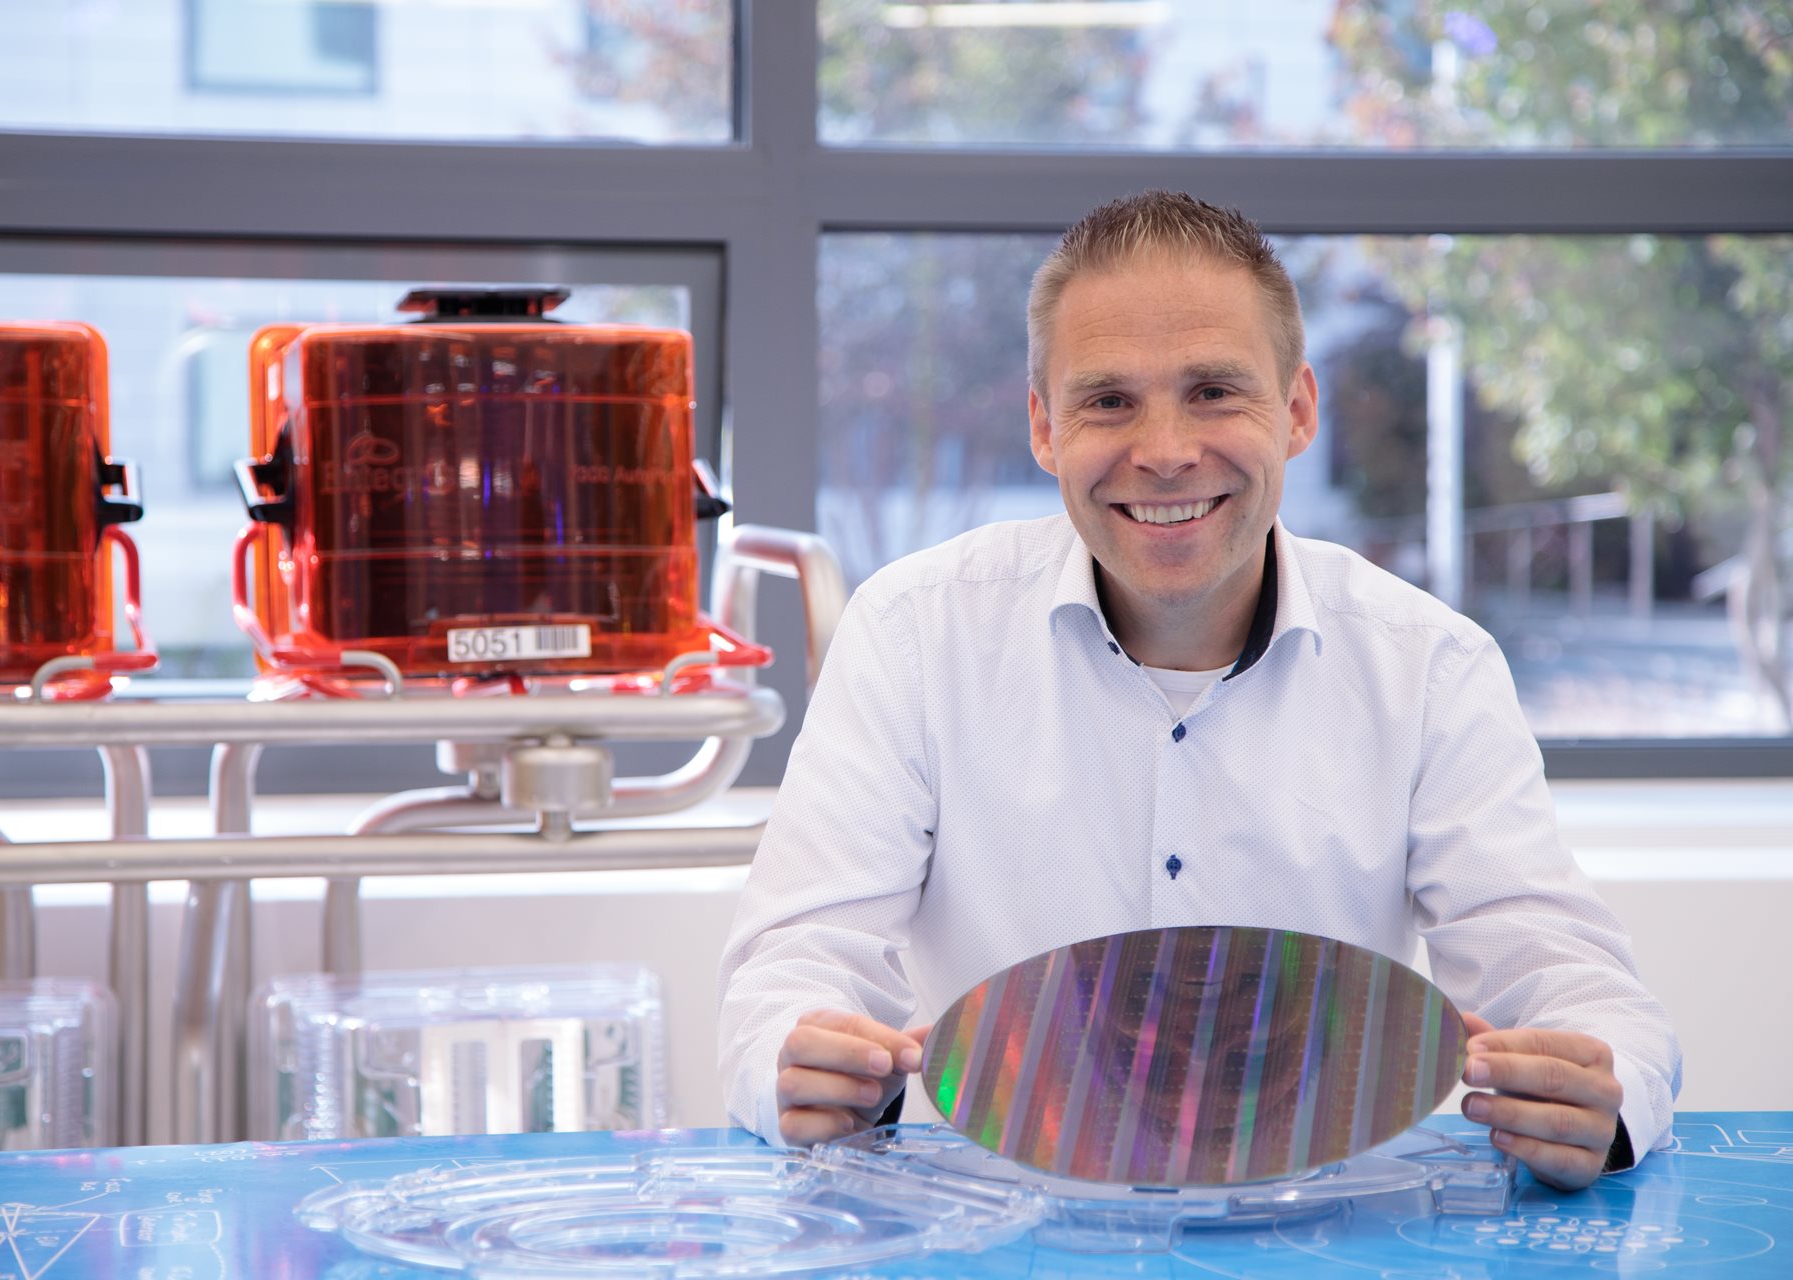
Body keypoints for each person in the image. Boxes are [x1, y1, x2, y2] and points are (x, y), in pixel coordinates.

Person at [716, 189, 1681, 1191]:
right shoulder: (914, 634)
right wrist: (804, 1061)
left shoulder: (1428, 668)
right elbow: (791, 967)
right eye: (1109, 400)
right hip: (998, 1227)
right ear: (1045, 428)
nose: (1167, 449)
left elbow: (1576, 985)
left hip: (1321, 1235)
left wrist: (1602, 1093)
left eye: (1215, 390)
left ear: (1298, 408)